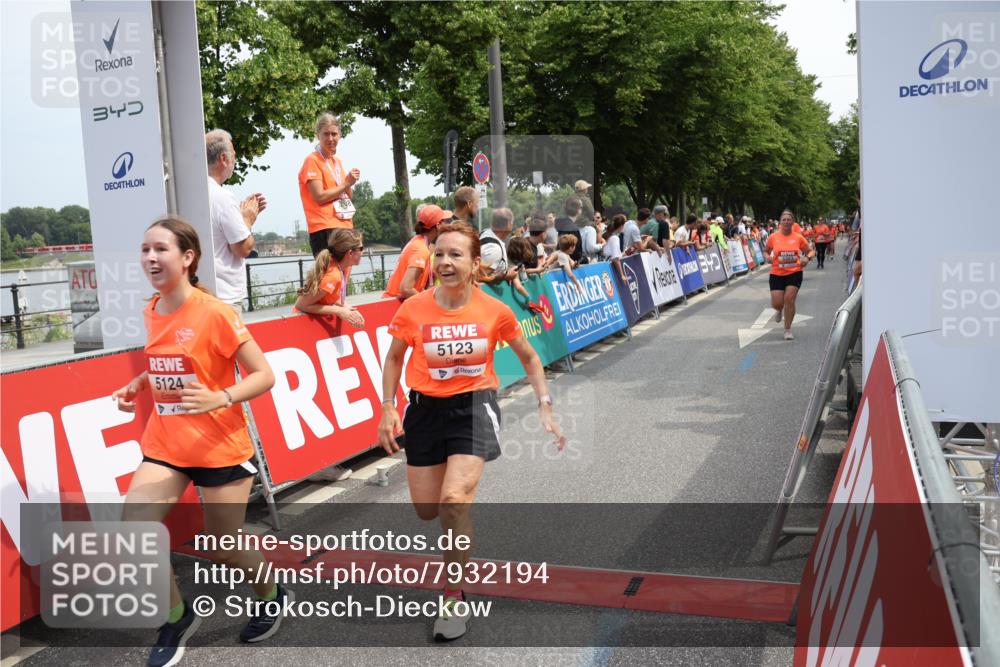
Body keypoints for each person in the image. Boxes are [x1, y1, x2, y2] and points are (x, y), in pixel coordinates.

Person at [376, 222, 566, 641]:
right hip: (424, 412)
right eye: (439, 254)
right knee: (429, 511)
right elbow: (393, 359)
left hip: (474, 409)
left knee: (453, 501)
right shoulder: (414, 309)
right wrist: (388, 407)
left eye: (455, 255)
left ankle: (452, 596)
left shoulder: (494, 311)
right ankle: (454, 532)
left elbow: (531, 359)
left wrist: (545, 406)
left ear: (475, 263)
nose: (444, 262)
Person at [112, 217, 288, 666]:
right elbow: (171, 363)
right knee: (136, 531)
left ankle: (271, 592)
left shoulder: (215, 313)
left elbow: (264, 375)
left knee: (223, 542)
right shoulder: (152, 308)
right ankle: (176, 618)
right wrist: (140, 383)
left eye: (161, 250)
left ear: (187, 258)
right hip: (167, 445)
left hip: (219, 447)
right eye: (145, 249)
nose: (150, 258)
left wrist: (221, 396)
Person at [205, 129, 265, 314]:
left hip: (201, 294)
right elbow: (243, 248)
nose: (235, 160)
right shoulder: (222, 197)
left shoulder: (193, 192)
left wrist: (237, 216)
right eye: (233, 155)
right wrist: (247, 219)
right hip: (224, 298)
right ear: (224, 158)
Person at [299, 113, 360, 258]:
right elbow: (319, 197)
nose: (331, 139)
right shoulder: (312, 160)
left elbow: (348, 197)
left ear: (339, 135)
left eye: (334, 134)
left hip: (344, 225)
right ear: (318, 135)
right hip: (324, 227)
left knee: (342, 277)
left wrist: (349, 182)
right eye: (326, 134)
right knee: (329, 276)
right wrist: (346, 183)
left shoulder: (337, 162)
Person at [294, 228, 365, 325]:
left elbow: (330, 297)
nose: (363, 252)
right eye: (361, 249)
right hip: (302, 322)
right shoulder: (333, 276)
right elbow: (301, 305)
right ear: (350, 253)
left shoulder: (336, 265)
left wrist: (346, 306)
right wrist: (339, 311)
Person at [764, 209, 815, 341]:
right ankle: (779, 309)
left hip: (794, 272)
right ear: (780, 222)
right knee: (777, 303)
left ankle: (787, 329)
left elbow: (810, 251)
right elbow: (765, 251)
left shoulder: (798, 237)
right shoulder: (773, 237)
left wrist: (806, 258)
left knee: (789, 300)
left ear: (793, 222)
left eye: (789, 219)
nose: (786, 222)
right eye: (784, 220)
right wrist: (767, 257)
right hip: (776, 273)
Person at [384, 205, 449, 300]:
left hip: (394, 302)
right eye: (444, 221)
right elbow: (406, 288)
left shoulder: (418, 241)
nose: (446, 225)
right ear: (438, 225)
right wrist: (427, 303)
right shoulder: (421, 249)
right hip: (394, 305)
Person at [480, 207, 518, 284]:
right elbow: (480, 277)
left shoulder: (485, 232)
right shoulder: (494, 249)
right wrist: (506, 276)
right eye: (512, 222)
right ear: (508, 224)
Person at [554, 197, 585, 263]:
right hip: (571, 264)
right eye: (581, 207)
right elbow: (577, 253)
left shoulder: (562, 224)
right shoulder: (573, 228)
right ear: (578, 210)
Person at [602, 214, 629, 282]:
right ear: (621, 226)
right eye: (625, 225)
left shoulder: (609, 234)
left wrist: (623, 254)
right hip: (606, 270)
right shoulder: (615, 238)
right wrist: (622, 275)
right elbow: (615, 258)